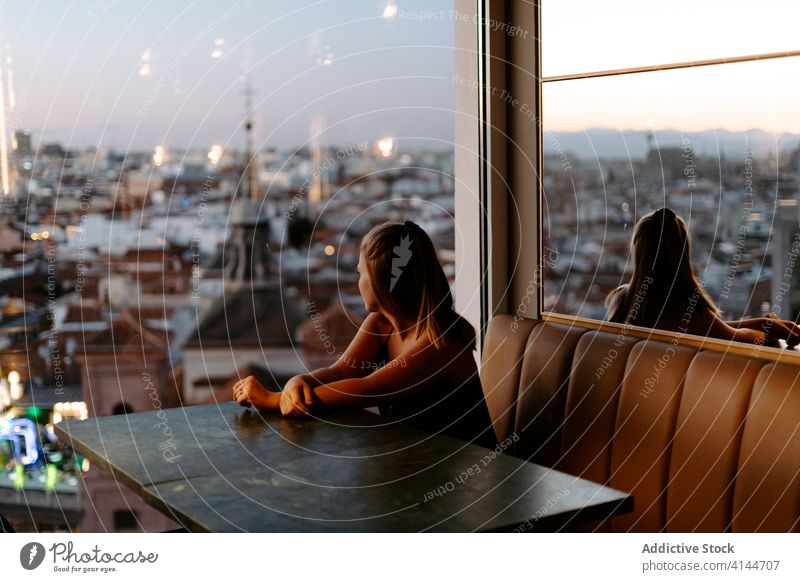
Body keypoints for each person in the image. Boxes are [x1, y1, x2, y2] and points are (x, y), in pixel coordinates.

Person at [233, 220, 497, 449]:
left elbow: (366, 389)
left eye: (361, 273)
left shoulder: (440, 343)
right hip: (424, 461)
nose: (357, 281)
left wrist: (272, 399)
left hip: (471, 474)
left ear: (383, 283)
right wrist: (298, 381)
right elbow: (341, 372)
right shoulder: (380, 325)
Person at [606, 207, 800, 348]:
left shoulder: (621, 299)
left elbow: (712, 330)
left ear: (638, 252)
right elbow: (743, 340)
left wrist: (761, 323)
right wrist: (765, 330)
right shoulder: (684, 307)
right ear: (682, 253)